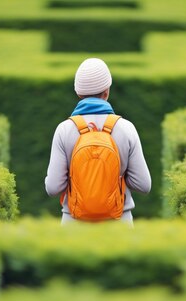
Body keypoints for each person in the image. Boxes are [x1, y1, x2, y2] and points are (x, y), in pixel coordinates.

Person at [45, 57, 151, 225]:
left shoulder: (64, 129)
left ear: (78, 93)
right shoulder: (126, 128)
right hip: (118, 224)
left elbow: (53, 188)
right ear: (107, 91)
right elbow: (144, 185)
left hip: (74, 226)